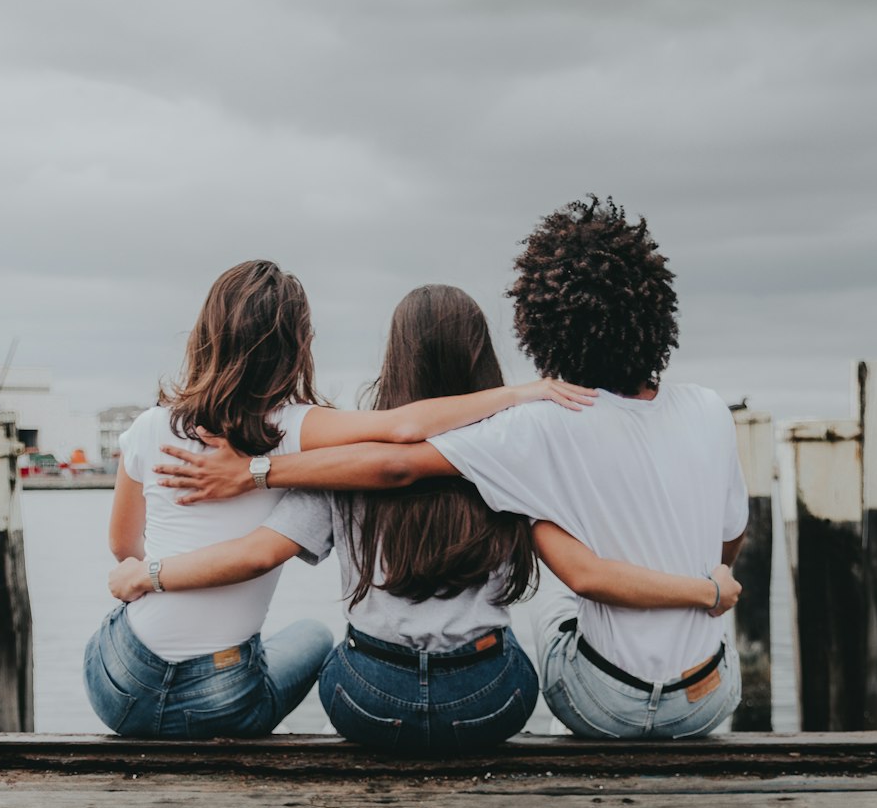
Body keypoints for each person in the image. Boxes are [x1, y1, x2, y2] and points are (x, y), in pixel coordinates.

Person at [151, 204, 747, 741]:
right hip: (499, 702)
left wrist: (250, 479)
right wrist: (707, 587)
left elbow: (388, 466)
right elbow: (717, 542)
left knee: (334, 639)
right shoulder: (683, 414)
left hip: (371, 703)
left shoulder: (357, 463)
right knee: (551, 606)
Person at [85, 262, 598, 740]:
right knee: (312, 635)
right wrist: (516, 395)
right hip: (475, 702)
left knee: (305, 638)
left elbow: (122, 546)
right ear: (300, 345)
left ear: (203, 334)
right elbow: (403, 431)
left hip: (129, 679)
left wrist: (148, 574)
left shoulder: (152, 427)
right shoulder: (303, 431)